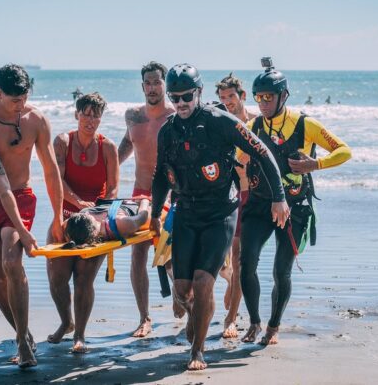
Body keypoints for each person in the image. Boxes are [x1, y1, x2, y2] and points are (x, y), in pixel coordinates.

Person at [150, 63, 289, 371]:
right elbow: (161, 175)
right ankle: (195, 318)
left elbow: (262, 153)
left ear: (199, 92)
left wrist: (279, 197)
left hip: (219, 214)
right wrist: (153, 215)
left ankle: (197, 351)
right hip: (185, 212)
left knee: (202, 283)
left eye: (187, 96)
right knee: (182, 290)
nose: (181, 103)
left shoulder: (220, 122)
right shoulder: (168, 131)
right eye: (175, 98)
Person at [239, 57, 352, 346]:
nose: (263, 103)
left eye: (268, 97)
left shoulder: (306, 124)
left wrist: (317, 165)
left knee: (281, 271)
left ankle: (273, 326)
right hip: (259, 205)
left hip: (295, 209)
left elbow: (344, 151)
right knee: (246, 264)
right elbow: (237, 160)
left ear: (283, 96)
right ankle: (253, 321)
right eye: (258, 97)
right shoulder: (252, 126)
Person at [0, 64, 64, 369]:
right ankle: (23, 333)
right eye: (13, 100)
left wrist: (58, 217)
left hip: (21, 196)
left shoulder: (36, 120)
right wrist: (24, 231)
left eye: (24, 97)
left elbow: (50, 170)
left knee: (12, 262)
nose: (20, 105)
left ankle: (23, 344)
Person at [47, 92, 120, 354]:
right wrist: (78, 204)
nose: (90, 119)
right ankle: (66, 322)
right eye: (86, 113)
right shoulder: (63, 142)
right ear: (77, 114)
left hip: (95, 222)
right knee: (57, 278)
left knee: (83, 279)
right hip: (66, 217)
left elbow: (112, 190)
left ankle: (79, 334)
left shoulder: (108, 147)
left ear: (101, 118)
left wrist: (96, 214)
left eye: (95, 115)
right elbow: (56, 181)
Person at [118, 61, 176, 337]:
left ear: (165, 84)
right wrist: (107, 177)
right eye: (148, 83)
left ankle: (179, 293)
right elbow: (127, 144)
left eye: (157, 82)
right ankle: (144, 317)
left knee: (167, 254)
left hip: (168, 196)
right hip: (138, 195)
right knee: (137, 254)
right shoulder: (133, 116)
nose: (152, 87)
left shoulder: (175, 116)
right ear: (142, 86)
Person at [214, 73, 257, 339]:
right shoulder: (220, 123)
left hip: (249, 196)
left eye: (231, 96)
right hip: (225, 196)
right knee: (220, 260)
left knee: (241, 259)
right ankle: (230, 281)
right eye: (222, 98)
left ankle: (231, 319)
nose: (227, 102)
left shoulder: (256, 123)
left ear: (242, 96)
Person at [63, 198, 150, 246]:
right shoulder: (121, 223)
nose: (85, 213)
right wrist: (145, 200)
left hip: (110, 203)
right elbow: (142, 217)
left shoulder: (72, 225)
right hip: (135, 207)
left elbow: (66, 225)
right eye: (85, 215)